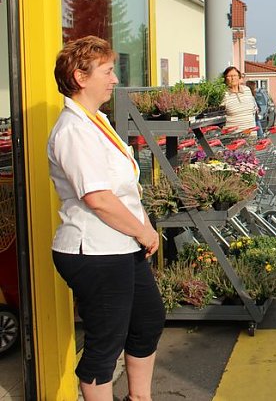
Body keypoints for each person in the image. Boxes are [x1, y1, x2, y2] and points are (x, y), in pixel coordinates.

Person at [48, 36, 164, 400]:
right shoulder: (73, 130)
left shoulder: (96, 120)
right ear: (81, 77)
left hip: (121, 243)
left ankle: (139, 397)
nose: (115, 79)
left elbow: (124, 187)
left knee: (147, 320)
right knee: (105, 343)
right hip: (94, 250)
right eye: (108, 71)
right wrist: (145, 233)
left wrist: (142, 229)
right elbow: (98, 197)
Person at [221, 66, 258, 132]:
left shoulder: (247, 90)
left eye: (235, 75)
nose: (232, 78)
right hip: (234, 136)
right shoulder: (223, 94)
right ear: (225, 79)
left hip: (251, 133)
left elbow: (253, 110)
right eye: (229, 76)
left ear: (239, 77)